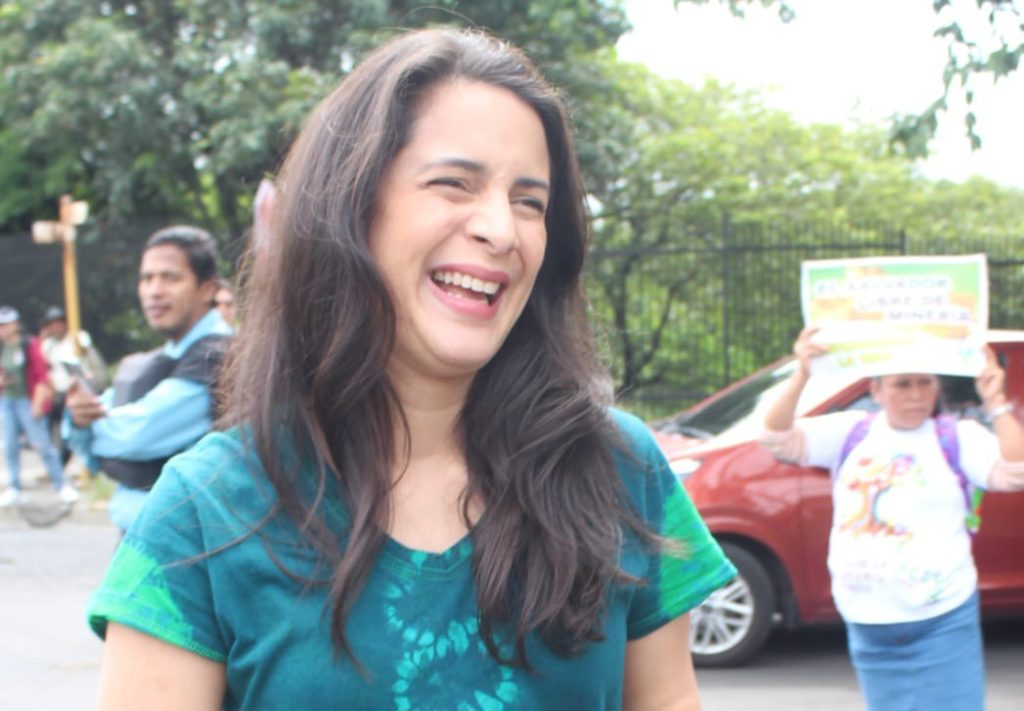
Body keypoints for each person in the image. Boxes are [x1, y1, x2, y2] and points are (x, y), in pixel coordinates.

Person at [86, 28, 736, 710]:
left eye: (529, 202)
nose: (501, 230)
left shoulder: (621, 469)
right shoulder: (206, 510)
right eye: (454, 183)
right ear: (348, 206)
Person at [760, 325, 1024, 711]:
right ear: (876, 391)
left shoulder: (958, 437)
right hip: (869, 623)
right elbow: (775, 437)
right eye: (902, 384)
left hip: (942, 619)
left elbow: (1017, 472)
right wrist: (802, 373)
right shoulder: (850, 432)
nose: (915, 395)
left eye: (924, 382)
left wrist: (996, 403)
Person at [65, 226, 232, 533]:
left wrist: (92, 425)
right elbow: (93, 444)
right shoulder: (167, 355)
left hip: (183, 545)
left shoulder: (215, 355)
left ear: (208, 289)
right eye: (147, 278)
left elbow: (132, 436)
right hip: (145, 538)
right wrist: (80, 417)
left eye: (170, 277)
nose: (155, 291)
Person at [0, 305, 78, 505]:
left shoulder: (29, 344)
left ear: (15, 325)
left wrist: (37, 402)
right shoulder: (2, 347)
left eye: (5, 325)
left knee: (42, 444)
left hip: (28, 400)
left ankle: (61, 485)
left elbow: (41, 375)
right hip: (7, 400)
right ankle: (14, 488)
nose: (3, 329)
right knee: (10, 446)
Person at [39, 305, 109, 464]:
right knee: (57, 430)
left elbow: (93, 361)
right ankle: (58, 464)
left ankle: (78, 464)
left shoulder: (78, 338)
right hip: (59, 394)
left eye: (58, 322)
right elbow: (46, 368)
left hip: (81, 391)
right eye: (51, 324)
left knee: (79, 430)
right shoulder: (48, 345)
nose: (56, 327)